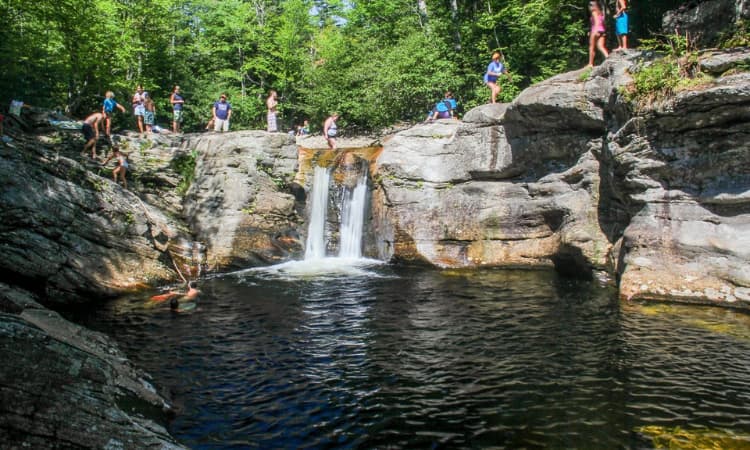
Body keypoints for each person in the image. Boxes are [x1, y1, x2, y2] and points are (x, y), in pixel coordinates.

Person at [587, 1, 609, 67]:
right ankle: (608, 58)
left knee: (591, 47)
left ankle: (590, 64)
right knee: (600, 46)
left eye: (590, 5)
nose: (589, 7)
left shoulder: (594, 11)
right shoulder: (601, 12)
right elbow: (602, 23)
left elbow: (596, 22)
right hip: (602, 30)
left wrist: (595, 31)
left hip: (596, 30)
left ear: (594, 6)